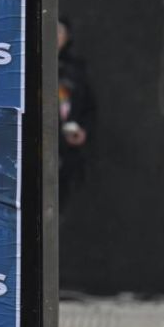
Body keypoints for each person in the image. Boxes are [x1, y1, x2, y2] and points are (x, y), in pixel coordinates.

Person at [57, 17, 96, 211]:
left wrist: (83, 131)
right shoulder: (26, 65)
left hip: (66, 154)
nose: (55, 37)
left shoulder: (75, 70)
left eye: (59, 32)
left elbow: (89, 108)